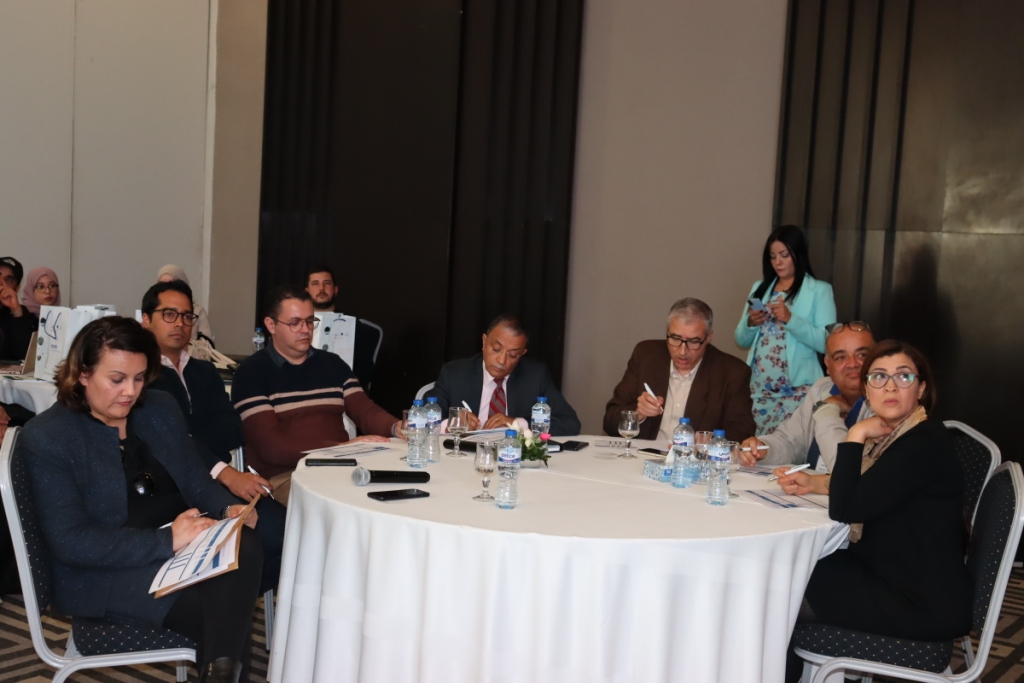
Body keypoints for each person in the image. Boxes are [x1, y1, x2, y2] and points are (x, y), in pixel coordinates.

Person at [16, 317, 263, 683]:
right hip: (106, 574)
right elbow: (71, 542)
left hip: (182, 551)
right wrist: (167, 541)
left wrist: (228, 508)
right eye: (117, 379)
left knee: (246, 544)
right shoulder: (49, 436)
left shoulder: (158, 408)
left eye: (139, 377)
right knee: (226, 610)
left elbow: (195, 478)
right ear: (83, 374)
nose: (130, 392)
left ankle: (219, 673)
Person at [780, 340, 971, 681]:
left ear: (921, 389)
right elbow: (869, 487)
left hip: (919, 600)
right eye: (879, 377)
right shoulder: (907, 435)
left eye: (904, 376)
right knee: (788, 572)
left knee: (782, 592)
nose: (891, 386)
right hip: (898, 575)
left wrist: (855, 434)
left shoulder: (922, 444)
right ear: (868, 390)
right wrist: (816, 482)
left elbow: (845, 507)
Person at [142, 280, 285, 592]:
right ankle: (217, 601)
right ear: (146, 319)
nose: (180, 323)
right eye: (169, 314)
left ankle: (229, 601)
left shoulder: (204, 371)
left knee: (287, 532)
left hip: (217, 484)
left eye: (187, 316)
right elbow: (165, 443)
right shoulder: (141, 378)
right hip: (172, 490)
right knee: (257, 540)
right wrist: (222, 471)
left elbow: (231, 428)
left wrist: (188, 440)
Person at [231, 286, 400, 503]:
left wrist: (397, 427)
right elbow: (272, 448)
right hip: (285, 477)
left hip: (341, 469)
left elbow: (365, 411)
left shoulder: (332, 364)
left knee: (389, 495)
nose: (305, 329)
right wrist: (340, 449)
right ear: (271, 325)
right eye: (295, 323)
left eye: (310, 321)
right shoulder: (252, 372)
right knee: (345, 503)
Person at [604, 298, 755, 442]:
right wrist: (638, 414)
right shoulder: (646, 356)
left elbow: (742, 432)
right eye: (675, 339)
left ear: (709, 337)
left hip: (695, 458)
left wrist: (705, 443)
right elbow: (609, 421)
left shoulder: (732, 372)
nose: (682, 351)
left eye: (693, 341)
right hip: (644, 455)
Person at [734, 226, 836, 434]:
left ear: (798, 255)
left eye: (784, 255)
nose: (778, 262)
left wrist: (791, 319)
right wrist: (751, 322)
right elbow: (740, 340)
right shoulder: (760, 288)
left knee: (792, 445)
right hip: (759, 389)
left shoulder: (819, 290)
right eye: (773, 257)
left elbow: (828, 343)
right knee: (759, 447)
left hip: (797, 389)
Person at [740, 322, 875, 472]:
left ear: (876, 359)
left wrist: (826, 411)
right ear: (828, 365)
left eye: (862, 355)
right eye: (840, 357)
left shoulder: (885, 401)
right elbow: (791, 442)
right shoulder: (821, 388)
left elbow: (847, 471)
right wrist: (763, 449)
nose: (852, 364)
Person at [429, 315, 581, 436]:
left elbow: (570, 423)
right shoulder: (454, 374)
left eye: (513, 355)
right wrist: (453, 424)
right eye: (496, 349)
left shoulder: (535, 376)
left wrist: (516, 424)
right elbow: (423, 418)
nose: (502, 361)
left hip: (513, 455)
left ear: (522, 353)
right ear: (484, 342)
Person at [304, 264, 380, 390]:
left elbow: (366, 370)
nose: (321, 288)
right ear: (307, 291)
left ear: (335, 290)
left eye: (327, 283)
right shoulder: (297, 324)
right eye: (315, 284)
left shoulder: (353, 325)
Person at [157, 264, 214, 343]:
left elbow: (207, 344)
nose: (167, 288)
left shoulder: (197, 310)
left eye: (188, 317)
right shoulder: (155, 309)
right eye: (162, 284)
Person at [0, 256, 38, 361]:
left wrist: (16, 311)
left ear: (16, 289)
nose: (1, 282)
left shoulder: (21, 313)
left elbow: (22, 355)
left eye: (8, 279)